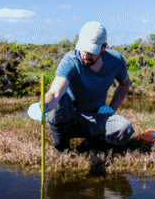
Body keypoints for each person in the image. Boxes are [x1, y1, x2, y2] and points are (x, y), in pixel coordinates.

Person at [42, 21, 134, 152]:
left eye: (91, 51)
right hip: (70, 118)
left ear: (104, 47)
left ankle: (92, 143)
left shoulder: (115, 61)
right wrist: (43, 106)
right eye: (83, 49)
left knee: (124, 129)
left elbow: (125, 83)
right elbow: (55, 92)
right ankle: (62, 148)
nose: (85, 55)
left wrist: (111, 109)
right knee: (58, 103)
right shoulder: (70, 60)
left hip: (97, 116)